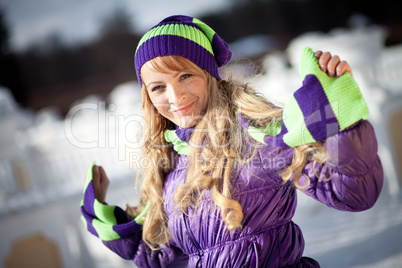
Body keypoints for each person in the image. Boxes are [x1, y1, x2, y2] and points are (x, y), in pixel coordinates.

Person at [80, 15, 383, 267]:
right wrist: (108, 221)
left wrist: (337, 122)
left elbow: (355, 193)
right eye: (158, 87)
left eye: (185, 76)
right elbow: (168, 256)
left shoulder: (256, 133)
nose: (175, 97)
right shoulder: (171, 163)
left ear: (209, 73)